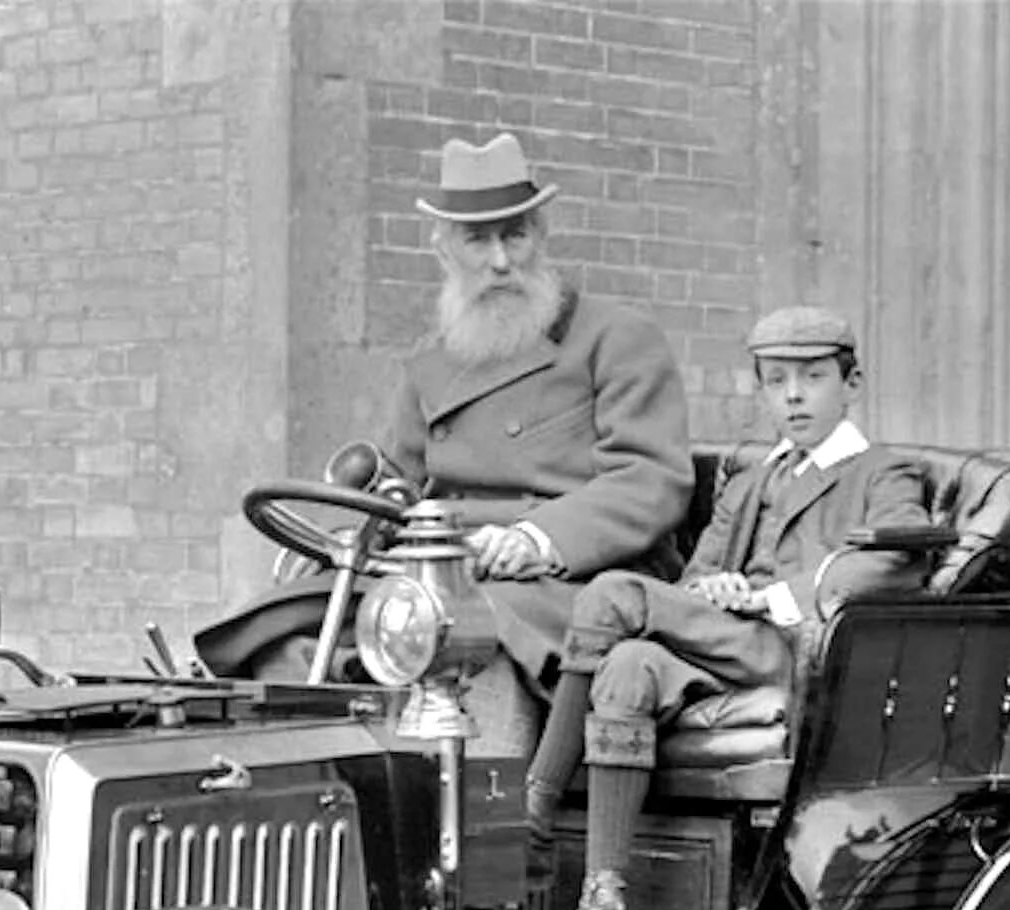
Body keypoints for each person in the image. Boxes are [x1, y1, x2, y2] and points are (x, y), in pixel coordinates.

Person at [195, 132, 692, 689]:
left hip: (579, 576)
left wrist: (535, 539)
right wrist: (338, 539)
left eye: (516, 235)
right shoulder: (430, 367)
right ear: (444, 251)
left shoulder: (617, 339)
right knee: (280, 635)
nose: (502, 261)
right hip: (437, 571)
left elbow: (651, 480)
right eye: (478, 241)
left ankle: (494, 778)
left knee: (468, 640)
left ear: (541, 236)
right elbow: (388, 487)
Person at [524, 306, 932, 910]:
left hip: (800, 654)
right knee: (627, 667)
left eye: (812, 377)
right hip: (727, 646)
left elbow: (894, 559)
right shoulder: (751, 481)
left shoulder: (884, 473)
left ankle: (533, 813)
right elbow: (697, 576)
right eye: (776, 381)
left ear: (851, 383)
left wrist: (771, 597)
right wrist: (713, 591)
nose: (793, 395)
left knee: (609, 597)